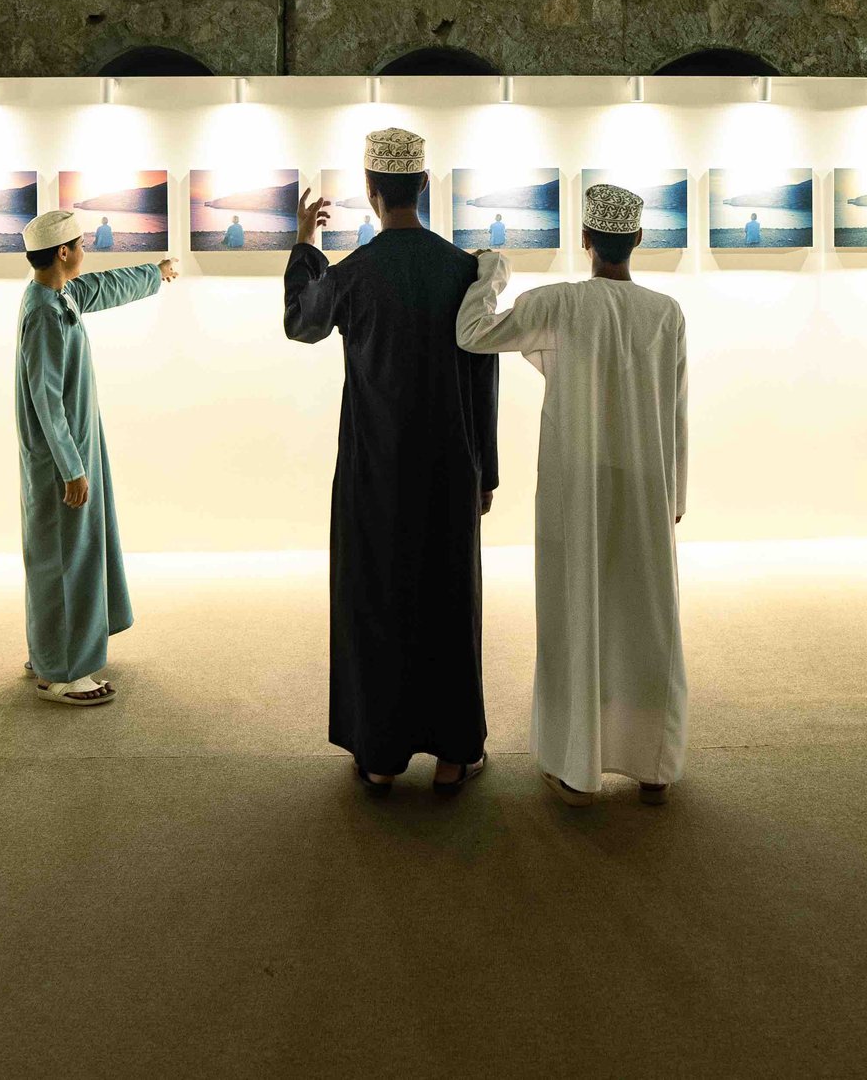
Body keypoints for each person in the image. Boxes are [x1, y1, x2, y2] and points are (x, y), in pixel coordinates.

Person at [457, 183, 689, 807]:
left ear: (585, 240)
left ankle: (577, 767)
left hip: (574, 480)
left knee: (575, 611)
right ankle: (653, 765)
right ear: (637, 240)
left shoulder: (557, 304)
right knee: (646, 614)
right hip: (645, 484)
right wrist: (676, 494)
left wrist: (489, 272)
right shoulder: (665, 313)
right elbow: (676, 410)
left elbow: (471, 333)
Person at [285, 128, 500, 794]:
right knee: (447, 598)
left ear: (372, 193)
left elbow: (302, 321)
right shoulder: (464, 270)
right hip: (449, 466)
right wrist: (485, 470)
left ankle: (378, 754)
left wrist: (305, 243)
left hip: (373, 472)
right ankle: (455, 754)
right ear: (425, 186)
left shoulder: (353, 274)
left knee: (375, 599)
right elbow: (483, 378)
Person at [14, 208, 178, 705]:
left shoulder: (57, 293)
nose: (87, 250)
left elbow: (103, 287)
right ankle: (61, 674)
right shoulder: (43, 311)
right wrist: (71, 468)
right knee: (67, 556)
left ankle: (49, 649)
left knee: (61, 551)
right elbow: (45, 397)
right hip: (62, 454)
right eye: (82, 244)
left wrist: (154, 274)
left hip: (77, 443)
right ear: (63, 252)